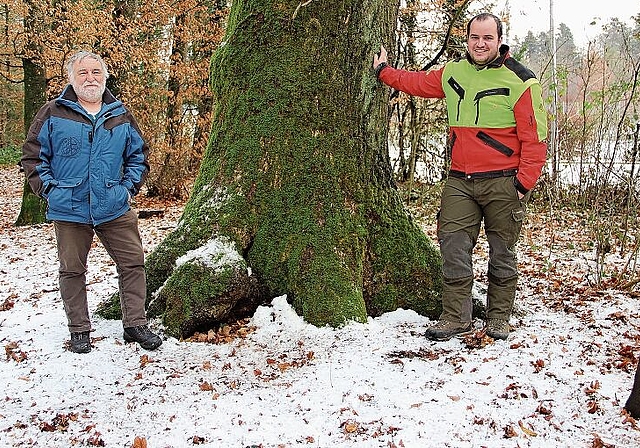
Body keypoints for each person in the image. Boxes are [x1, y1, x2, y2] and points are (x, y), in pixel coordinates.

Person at [373, 13, 547, 341]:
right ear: (467, 39)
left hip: (503, 181)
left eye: (487, 38)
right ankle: (456, 316)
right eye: (474, 38)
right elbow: (417, 83)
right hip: (460, 180)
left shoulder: (522, 80)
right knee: (453, 246)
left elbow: (535, 139)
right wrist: (384, 72)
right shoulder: (454, 72)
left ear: (499, 40)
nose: (480, 44)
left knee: (502, 252)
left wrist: (523, 184)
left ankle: (498, 317)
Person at [21, 50, 162, 353]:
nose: (90, 78)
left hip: (113, 203)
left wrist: (126, 189)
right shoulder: (53, 112)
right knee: (72, 269)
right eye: (83, 72)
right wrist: (49, 190)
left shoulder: (120, 113)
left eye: (96, 72)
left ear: (105, 76)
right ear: (71, 77)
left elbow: (138, 155)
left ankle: (135, 324)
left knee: (133, 262)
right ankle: (79, 330)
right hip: (69, 204)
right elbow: (33, 156)